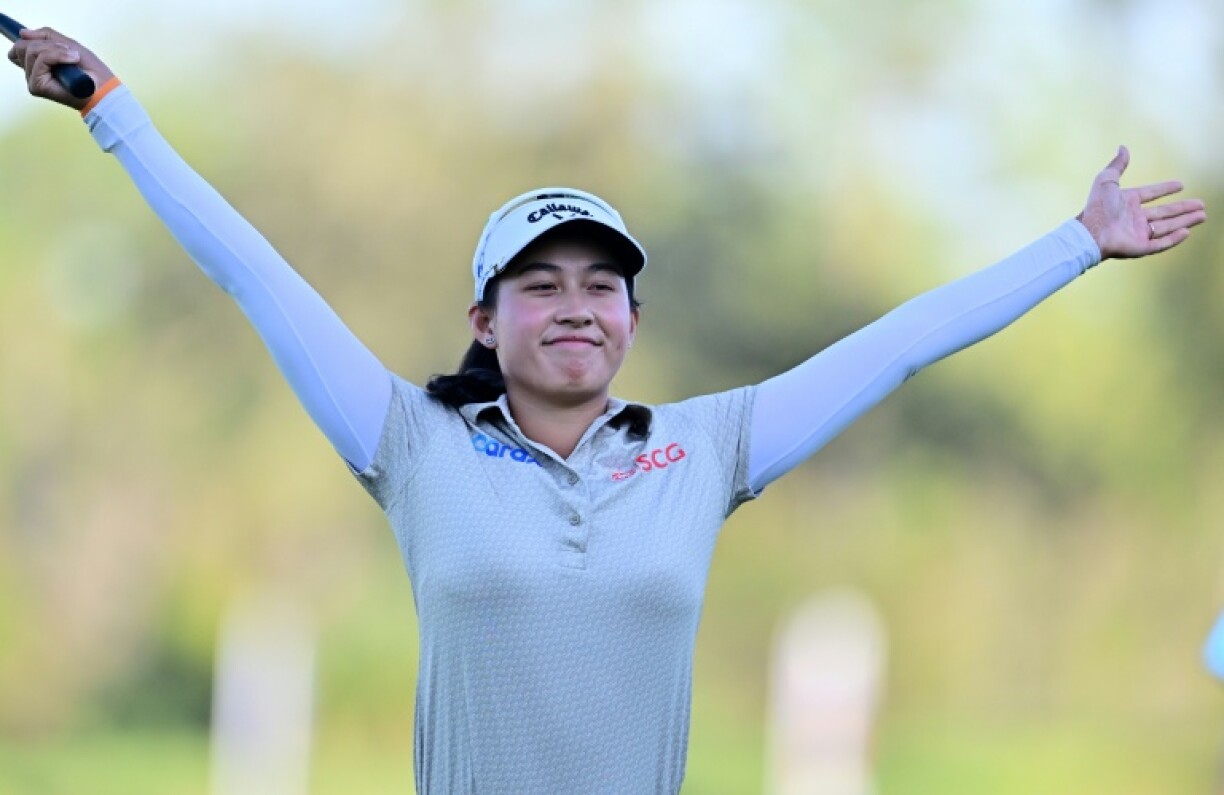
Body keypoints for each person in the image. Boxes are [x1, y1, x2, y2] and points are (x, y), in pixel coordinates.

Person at [7, 26, 1207, 795]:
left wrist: (1076, 245)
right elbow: (255, 274)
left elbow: (893, 348)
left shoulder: (708, 446)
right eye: (540, 285)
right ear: (485, 320)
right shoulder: (411, 443)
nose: (575, 307)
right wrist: (116, 110)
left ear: (633, 320)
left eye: (602, 285)